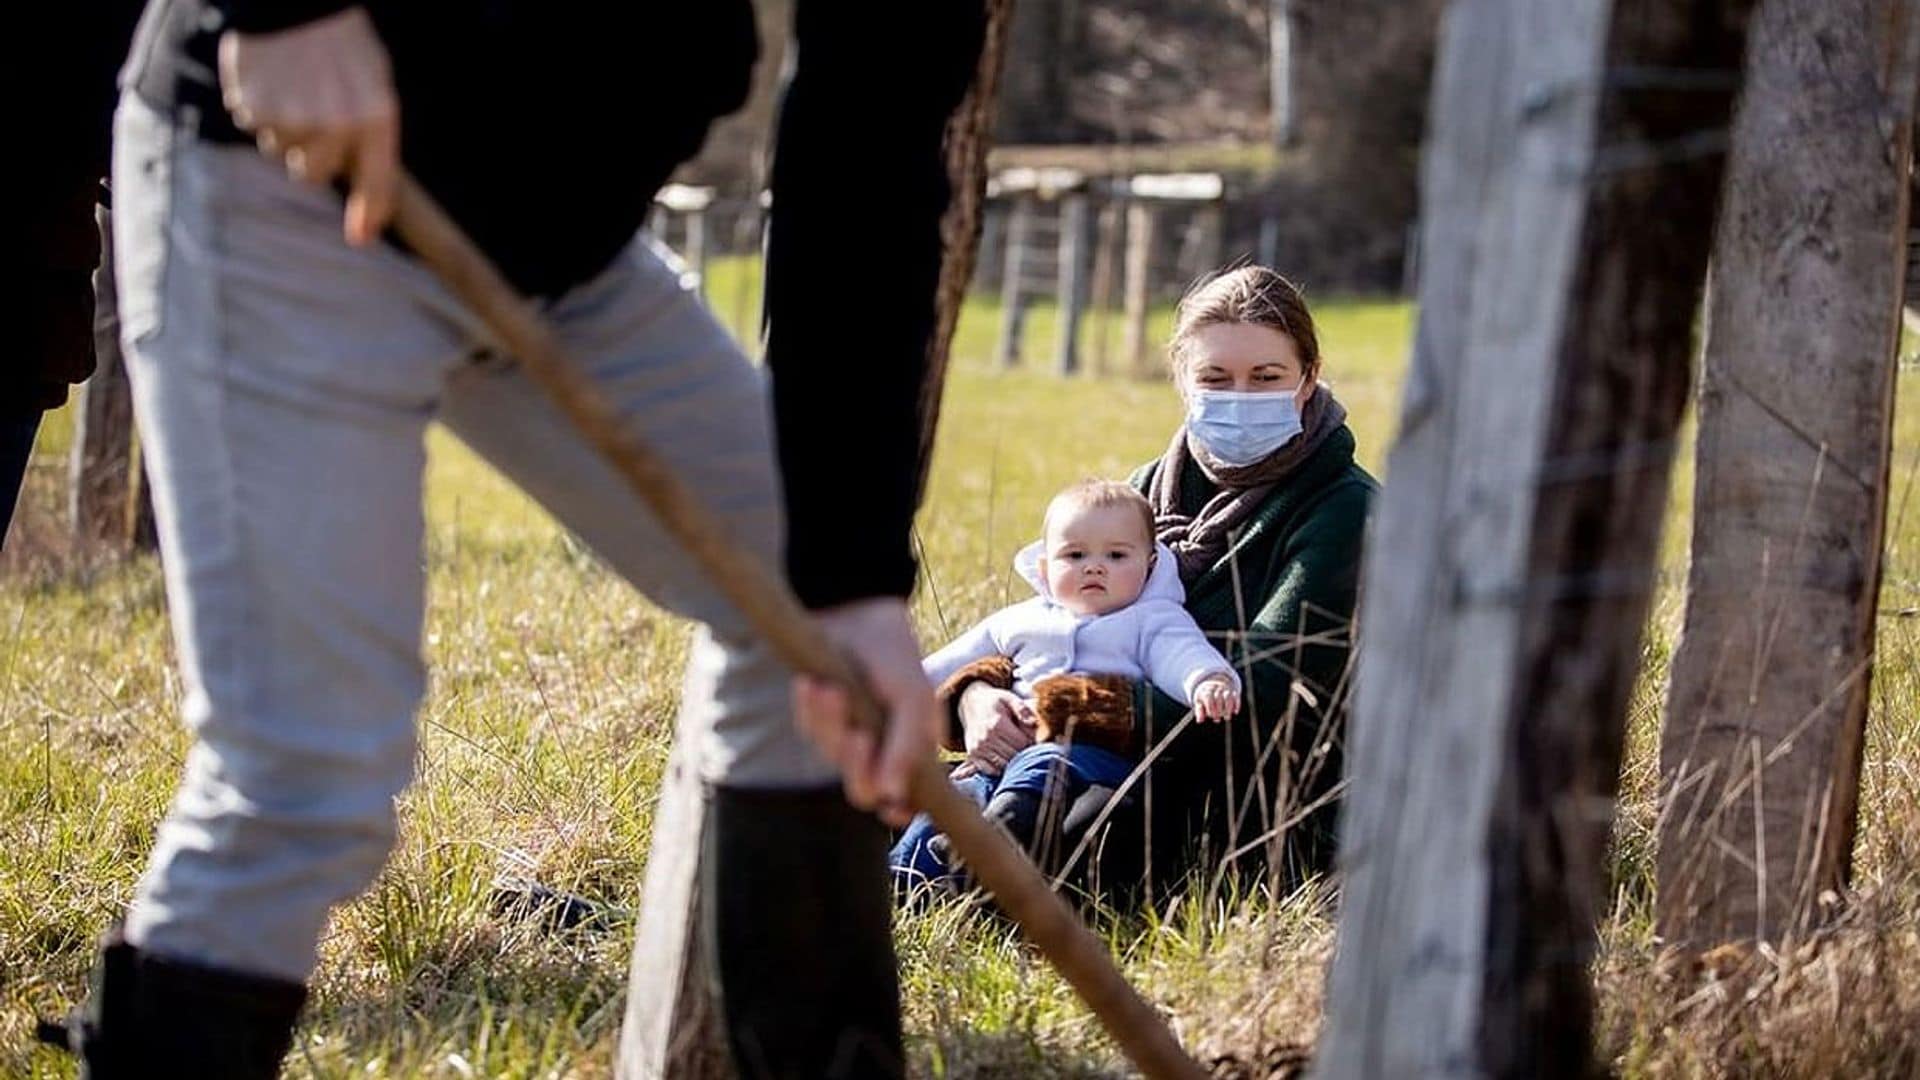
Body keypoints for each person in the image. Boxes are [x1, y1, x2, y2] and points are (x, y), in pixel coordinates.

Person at [37, 2, 985, 1077]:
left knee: (806, 632)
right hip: (289, 173)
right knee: (304, 772)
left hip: (559, 252)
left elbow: (875, 152)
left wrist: (854, 579)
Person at [940, 267, 1377, 897]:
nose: (1240, 396)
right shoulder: (1149, 490)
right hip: (1122, 760)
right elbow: (1056, 622)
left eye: (1266, 377)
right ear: (1182, 380)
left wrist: (1065, 707)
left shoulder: (1346, 510)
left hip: (1256, 801)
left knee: (1081, 838)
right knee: (946, 814)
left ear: (1308, 379)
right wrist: (976, 697)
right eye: (1215, 378)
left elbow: (1270, 686)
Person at [888, 480, 1240, 891]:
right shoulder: (1021, 619)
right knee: (955, 792)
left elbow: (1182, 655)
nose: (1094, 566)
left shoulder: (1152, 619)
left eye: (1116, 555)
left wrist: (1207, 680)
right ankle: (906, 877)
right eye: (1074, 555)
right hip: (999, 757)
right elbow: (948, 663)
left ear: (1149, 565)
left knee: (1043, 764)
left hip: (1093, 759)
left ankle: (991, 842)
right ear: (1044, 567)